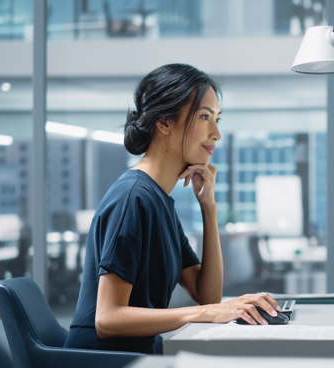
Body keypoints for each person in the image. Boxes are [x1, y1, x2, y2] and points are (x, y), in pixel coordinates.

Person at [65, 64, 280, 354]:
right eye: (205, 117)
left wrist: (209, 207)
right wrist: (203, 314)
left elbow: (207, 295)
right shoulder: (132, 198)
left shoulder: (159, 200)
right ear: (164, 123)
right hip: (104, 360)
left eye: (217, 119)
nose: (216, 133)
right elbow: (108, 318)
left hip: (140, 355)